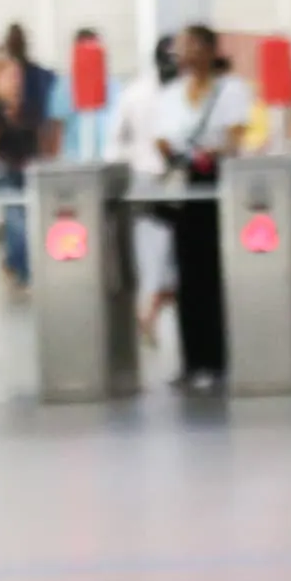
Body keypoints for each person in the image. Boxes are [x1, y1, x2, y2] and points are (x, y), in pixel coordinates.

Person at [153, 25, 253, 391]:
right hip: (185, 189)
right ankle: (191, 360)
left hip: (218, 187)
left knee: (214, 275)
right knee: (186, 276)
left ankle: (219, 358)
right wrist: (181, 154)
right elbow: (162, 140)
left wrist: (212, 151)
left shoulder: (231, 90)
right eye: (180, 48)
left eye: (191, 46)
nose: (184, 54)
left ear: (210, 51)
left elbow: (235, 136)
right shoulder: (170, 95)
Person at [110, 35, 181, 349]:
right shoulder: (142, 94)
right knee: (156, 255)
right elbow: (117, 141)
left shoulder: (136, 93)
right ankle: (148, 311)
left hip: (164, 179)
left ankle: (148, 312)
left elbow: (115, 143)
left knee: (163, 257)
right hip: (152, 181)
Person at [0, 26, 57, 286]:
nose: (16, 81)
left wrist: (48, 156)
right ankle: (23, 271)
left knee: (23, 221)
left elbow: (43, 132)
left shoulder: (32, 100)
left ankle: (15, 264)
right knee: (17, 221)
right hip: (5, 172)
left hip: (27, 169)